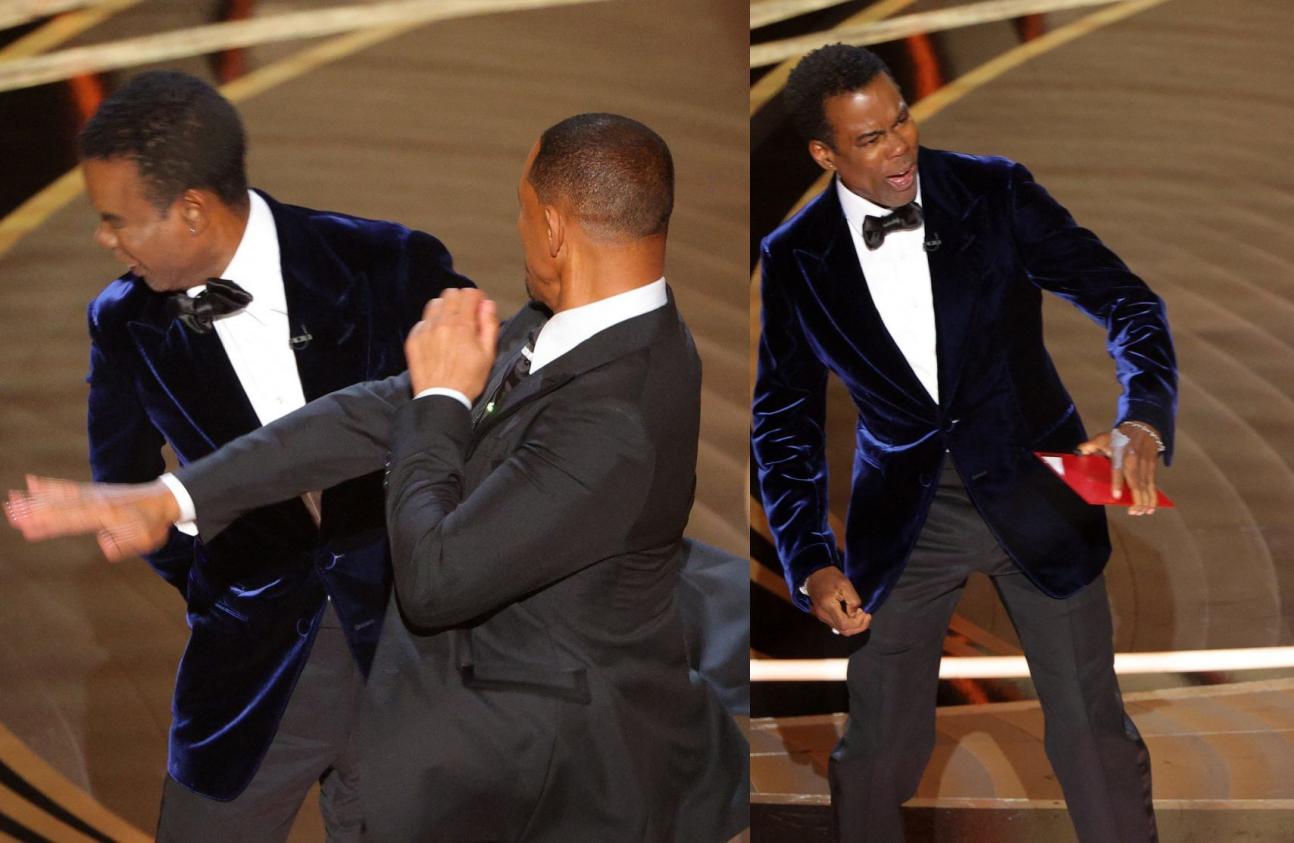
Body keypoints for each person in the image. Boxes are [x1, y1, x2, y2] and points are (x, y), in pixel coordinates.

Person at [10, 112, 747, 842]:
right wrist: (172, 497)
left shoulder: (618, 414)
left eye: (522, 210)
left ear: (553, 227)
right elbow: (373, 410)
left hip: (544, 780)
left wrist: (439, 399)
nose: (517, 227)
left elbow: (433, 578)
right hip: (453, 725)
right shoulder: (566, 324)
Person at [751, 44, 1176, 842]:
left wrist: (1142, 417)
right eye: (870, 137)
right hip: (907, 522)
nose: (899, 145)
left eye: (901, 119)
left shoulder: (994, 190)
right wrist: (808, 556)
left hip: (1039, 493)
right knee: (877, 749)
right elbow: (784, 418)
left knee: (1092, 735)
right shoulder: (794, 257)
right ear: (824, 154)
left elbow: (1128, 302)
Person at [75, 69, 469, 839]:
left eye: (116, 220)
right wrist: (220, 582)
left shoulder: (389, 262)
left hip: (416, 657)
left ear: (192, 209)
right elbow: (124, 483)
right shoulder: (121, 321)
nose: (105, 239)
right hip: (250, 673)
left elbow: (480, 424)